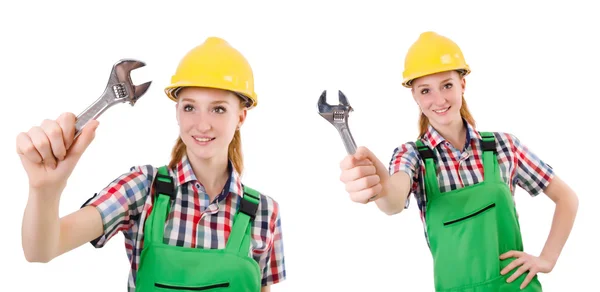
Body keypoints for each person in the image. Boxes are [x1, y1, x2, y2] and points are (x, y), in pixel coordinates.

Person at [18, 36, 286, 292]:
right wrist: (45, 191)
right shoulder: (144, 189)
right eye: (190, 107)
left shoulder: (264, 212)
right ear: (177, 112)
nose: (202, 124)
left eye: (218, 109)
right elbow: (42, 249)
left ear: (241, 117)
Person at [338, 31, 578, 291]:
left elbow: (567, 198)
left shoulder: (504, 146)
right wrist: (376, 184)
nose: (439, 100)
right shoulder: (412, 156)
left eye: (447, 85)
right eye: (426, 90)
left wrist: (547, 259)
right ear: (415, 97)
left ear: (462, 84)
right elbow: (393, 201)